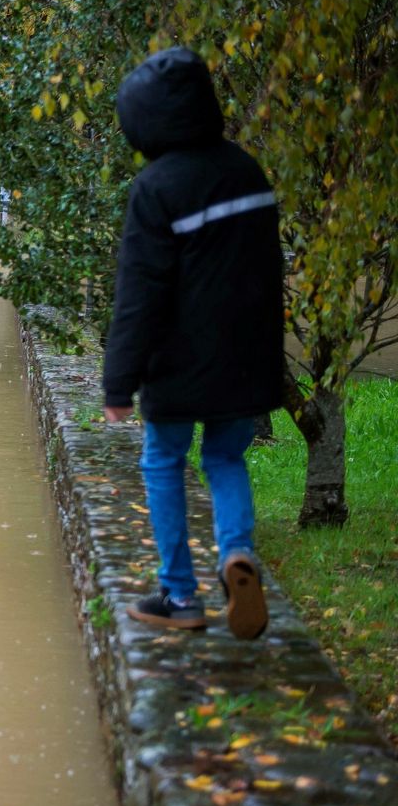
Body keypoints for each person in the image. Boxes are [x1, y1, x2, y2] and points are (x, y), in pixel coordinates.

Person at [102, 46, 283, 638]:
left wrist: (118, 382)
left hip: (179, 365)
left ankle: (180, 597)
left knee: (163, 462)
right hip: (245, 359)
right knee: (226, 457)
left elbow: (140, 295)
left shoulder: (157, 188)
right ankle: (237, 553)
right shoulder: (247, 172)